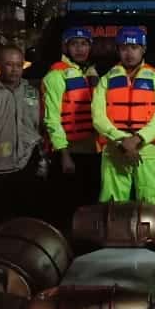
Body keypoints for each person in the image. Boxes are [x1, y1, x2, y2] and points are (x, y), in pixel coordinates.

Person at [92, 27, 155, 203]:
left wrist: (136, 140)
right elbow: (98, 117)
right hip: (115, 150)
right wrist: (122, 141)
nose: (129, 53)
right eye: (124, 48)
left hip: (148, 151)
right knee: (112, 204)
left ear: (143, 49)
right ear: (118, 50)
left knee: (151, 202)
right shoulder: (106, 80)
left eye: (134, 48)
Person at [42, 27, 100, 228]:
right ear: (65, 47)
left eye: (84, 44)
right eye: (74, 44)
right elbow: (52, 119)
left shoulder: (90, 73)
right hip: (69, 153)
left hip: (92, 150)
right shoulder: (56, 75)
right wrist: (64, 154)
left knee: (89, 207)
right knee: (68, 209)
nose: (80, 49)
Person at [0, 44, 46, 227]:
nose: (15, 69)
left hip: (27, 166)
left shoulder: (32, 91)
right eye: (9, 64)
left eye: (19, 65)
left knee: (27, 222)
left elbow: (40, 126)